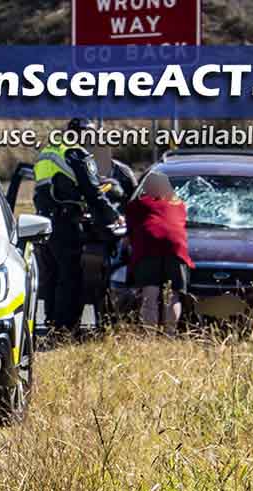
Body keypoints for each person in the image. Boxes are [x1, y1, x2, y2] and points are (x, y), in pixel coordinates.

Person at [33, 118, 123, 334]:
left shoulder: (49, 150)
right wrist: (113, 215)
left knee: (52, 275)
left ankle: (51, 323)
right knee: (70, 274)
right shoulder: (76, 153)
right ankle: (65, 328)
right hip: (65, 221)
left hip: (45, 222)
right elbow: (92, 191)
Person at [123, 171, 192, 332]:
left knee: (150, 295)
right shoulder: (180, 205)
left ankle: (150, 337)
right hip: (176, 249)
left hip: (148, 249)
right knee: (172, 296)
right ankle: (170, 335)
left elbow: (129, 234)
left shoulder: (136, 205)